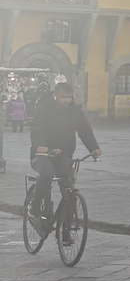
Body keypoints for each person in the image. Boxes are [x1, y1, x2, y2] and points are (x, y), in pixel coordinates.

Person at [28, 76, 101, 233]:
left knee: (69, 188)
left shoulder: (75, 111)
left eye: (69, 97)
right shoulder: (43, 107)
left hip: (64, 156)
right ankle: (35, 206)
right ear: (55, 95)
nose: (67, 100)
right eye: (63, 97)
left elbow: (85, 130)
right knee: (47, 174)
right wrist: (40, 146)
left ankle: (66, 228)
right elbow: (37, 129)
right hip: (42, 155)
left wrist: (94, 148)